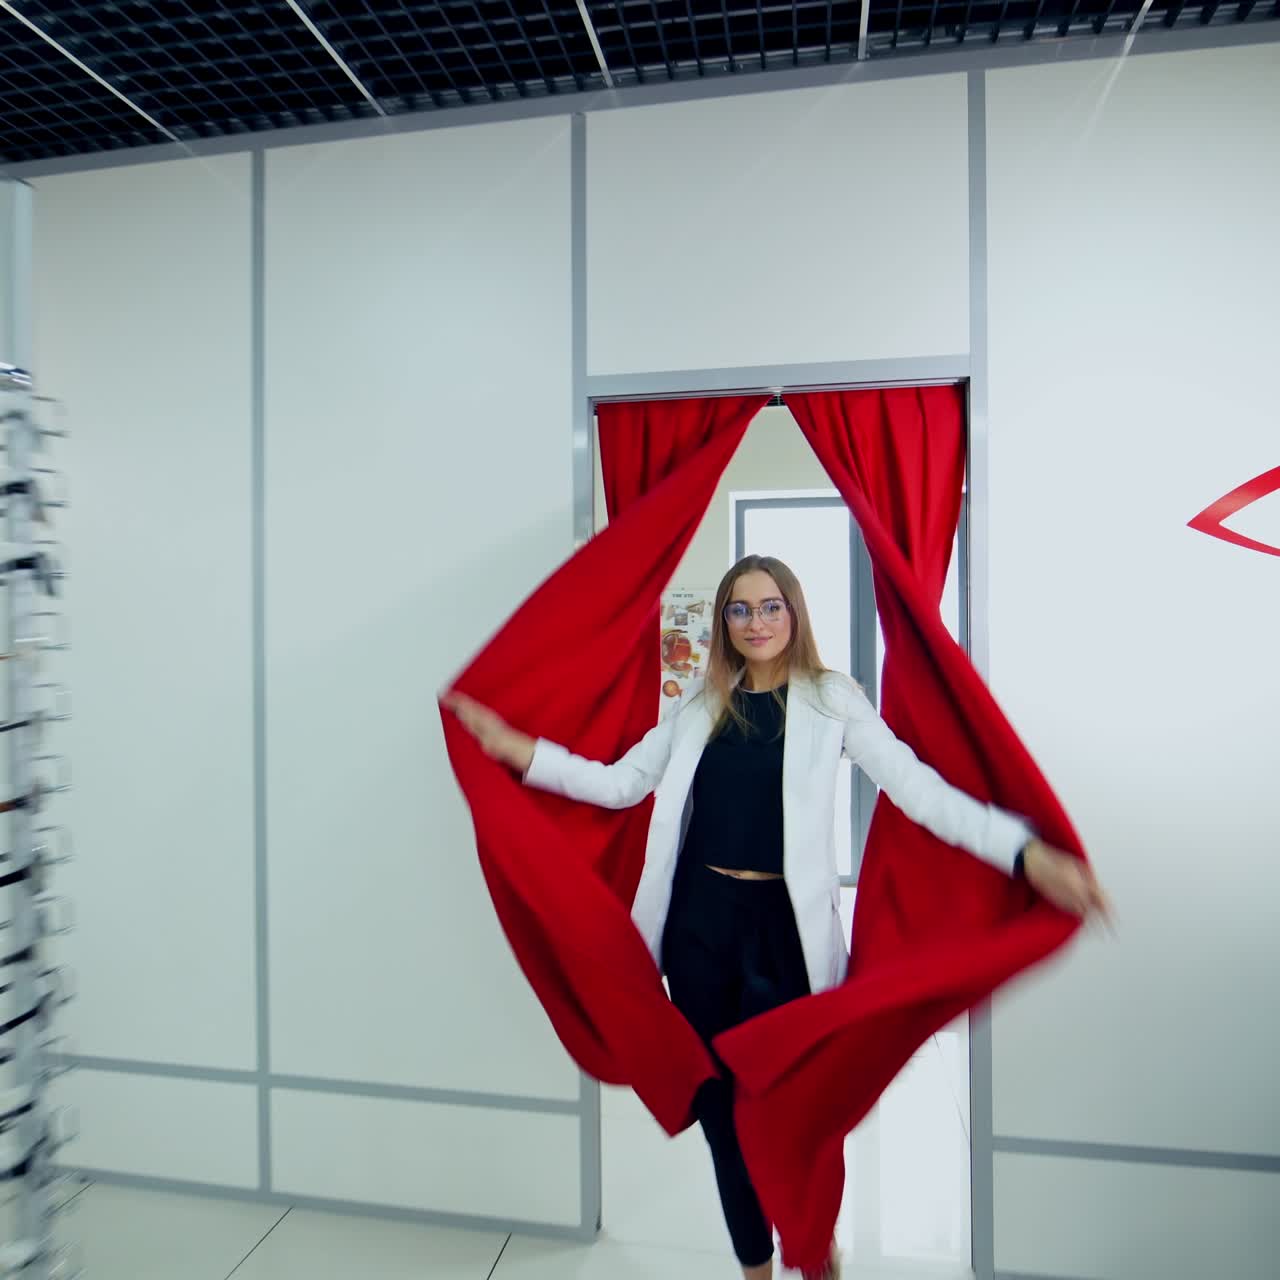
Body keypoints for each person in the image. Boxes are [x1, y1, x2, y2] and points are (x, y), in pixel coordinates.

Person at [447, 555, 1109, 1280]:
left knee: (796, 1112)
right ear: (724, 623)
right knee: (723, 1117)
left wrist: (1024, 856)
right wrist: (520, 752)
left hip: (785, 938)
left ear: (794, 614)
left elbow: (919, 791)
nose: (755, 621)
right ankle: (756, 1265)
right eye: (740, 609)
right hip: (701, 929)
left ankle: (809, 1233)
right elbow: (620, 784)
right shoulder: (701, 707)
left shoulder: (833, 700)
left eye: (769, 607)